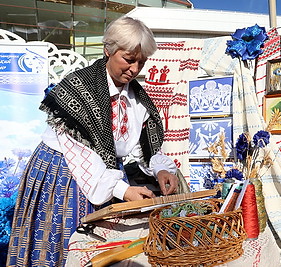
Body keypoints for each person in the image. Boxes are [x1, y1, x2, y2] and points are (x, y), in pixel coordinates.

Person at [7, 17, 180, 267]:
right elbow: (80, 155)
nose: (134, 69)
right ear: (108, 50)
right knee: (65, 244)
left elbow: (144, 142)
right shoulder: (78, 87)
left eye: (141, 62)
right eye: (129, 60)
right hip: (64, 176)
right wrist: (123, 190)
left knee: (104, 252)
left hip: (106, 177)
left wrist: (161, 167)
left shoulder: (137, 97)